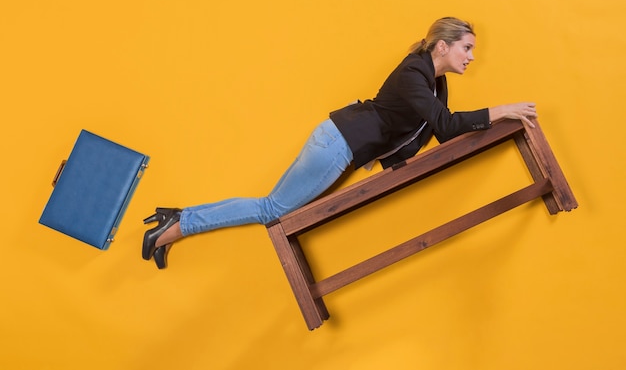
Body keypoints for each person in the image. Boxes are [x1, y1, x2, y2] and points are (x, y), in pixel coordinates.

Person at [142, 17, 538, 269]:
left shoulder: (434, 81)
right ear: (442, 46)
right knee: (271, 210)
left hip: (340, 146)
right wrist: (501, 110)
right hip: (337, 145)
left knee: (272, 208)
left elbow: (436, 129)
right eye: (467, 48)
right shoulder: (414, 73)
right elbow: (446, 125)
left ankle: (175, 219)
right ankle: (176, 226)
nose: (471, 57)